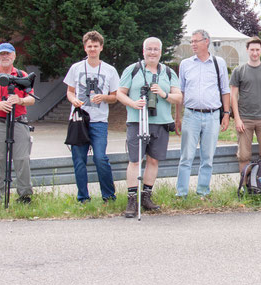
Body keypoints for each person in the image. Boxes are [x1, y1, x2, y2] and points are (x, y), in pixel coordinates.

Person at [117, 37, 181, 217]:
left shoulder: (168, 72)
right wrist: (132, 103)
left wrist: (163, 93)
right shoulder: (133, 69)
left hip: (160, 123)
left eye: (155, 49)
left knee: (153, 160)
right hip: (137, 121)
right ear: (143, 50)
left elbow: (179, 97)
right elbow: (119, 93)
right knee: (135, 160)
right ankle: (132, 200)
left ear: (160, 52)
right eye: (149, 49)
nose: (152, 52)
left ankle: (146, 196)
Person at [63, 31, 120, 203]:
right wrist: (74, 100)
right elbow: (69, 92)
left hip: (99, 121)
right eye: (90, 46)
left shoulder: (110, 70)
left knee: (100, 157)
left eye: (96, 46)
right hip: (79, 120)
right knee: (79, 160)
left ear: (101, 47)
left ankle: (109, 196)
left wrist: (103, 97)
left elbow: (115, 96)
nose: (93, 49)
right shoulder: (76, 68)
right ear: (85, 48)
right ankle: (83, 198)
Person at [0, 43, 36, 204]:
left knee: (22, 158)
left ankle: (24, 195)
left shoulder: (22, 75)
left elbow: (31, 99)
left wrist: (20, 100)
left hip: (18, 121)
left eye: (8, 54)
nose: (5, 57)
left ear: (14, 56)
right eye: (2, 54)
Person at [175, 30, 231, 198]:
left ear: (206, 42)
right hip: (191, 115)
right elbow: (180, 92)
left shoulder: (218, 62)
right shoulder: (185, 64)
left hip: (212, 115)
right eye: (191, 41)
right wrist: (178, 117)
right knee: (186, 157)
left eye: (196, 41)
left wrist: (226, 114)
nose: (193, 44)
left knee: (207, 157)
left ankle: (203, 192)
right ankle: (181, 193)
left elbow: (225, 90)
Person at [230, 37, 261, 173]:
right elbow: (233, 96)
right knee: (244, 155)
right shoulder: (239, 71)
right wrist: (237, 119)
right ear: (247, 50)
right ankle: (245, 187)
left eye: (257, 50)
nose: (255, 53)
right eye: (252, 50)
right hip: (244, 119)